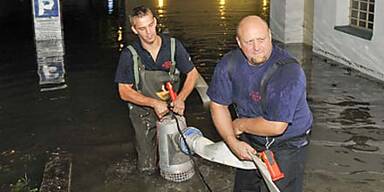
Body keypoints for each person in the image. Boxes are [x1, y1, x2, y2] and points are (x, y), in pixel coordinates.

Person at [207, 15, 312, 191]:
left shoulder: (288, 71)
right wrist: (232, 141)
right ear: (239, 43)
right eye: (249, 42)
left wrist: (239, 124)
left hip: (288, 143)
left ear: (270, 35)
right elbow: (218, 105)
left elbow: (276, 126)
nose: (256, 48)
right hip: (251, 139)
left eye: (261, 40)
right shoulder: (228, 64)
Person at [114, 5, 198, 174]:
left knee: (177, 159)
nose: (149, 32)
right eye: (142, 29)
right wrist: (153, 103)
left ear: (155, 22)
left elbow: (192, 74)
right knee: (147, 165)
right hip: (143, 113)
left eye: (151, 25)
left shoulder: (174, 46)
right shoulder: (129, 55)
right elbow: (124, 91)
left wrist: (180, 98)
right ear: (134, 30)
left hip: (172, 108)